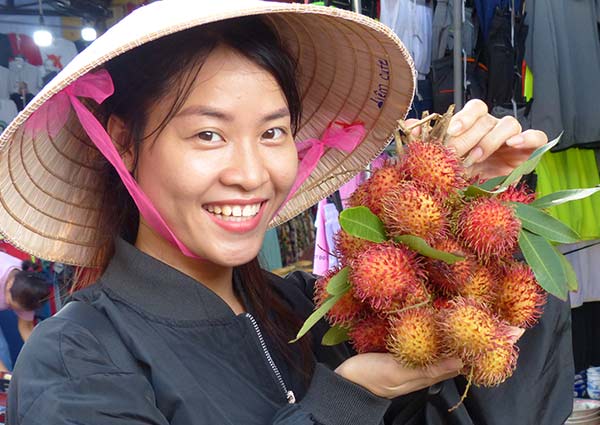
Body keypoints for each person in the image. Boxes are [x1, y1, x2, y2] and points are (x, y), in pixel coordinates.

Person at [0, 1, 569, 424]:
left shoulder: (312, 312)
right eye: (208, 133)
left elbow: (514, 412)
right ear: (123, 143)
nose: (251, 173)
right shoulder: (75, 360)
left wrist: (480, 227)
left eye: (273, 132)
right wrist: (344, 402)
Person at [0, 253, 50, 371]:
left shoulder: (28, 290)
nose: (5, 302)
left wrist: (44, 363)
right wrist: (5, 375)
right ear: (10, 284)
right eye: (9, 303)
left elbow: (25, 328)